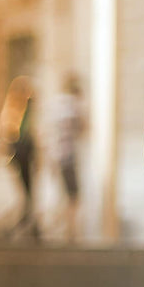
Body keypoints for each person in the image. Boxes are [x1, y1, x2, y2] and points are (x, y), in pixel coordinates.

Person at [45, 73, 86, 243]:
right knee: (73, 195)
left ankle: (62, 228)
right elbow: (83, 128)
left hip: (55, 155)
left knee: (62, 194)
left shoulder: (56, 105)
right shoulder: (73, 106)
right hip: (68, 156)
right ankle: (69, 230)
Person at [0, 75, 40, 241]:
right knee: (24, 191)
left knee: (28, 191)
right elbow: (9, 134)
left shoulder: (27, 111)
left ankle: (28, 222)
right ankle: (25, 222)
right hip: (20, 154)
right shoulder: (14, 111)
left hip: (25, 154)